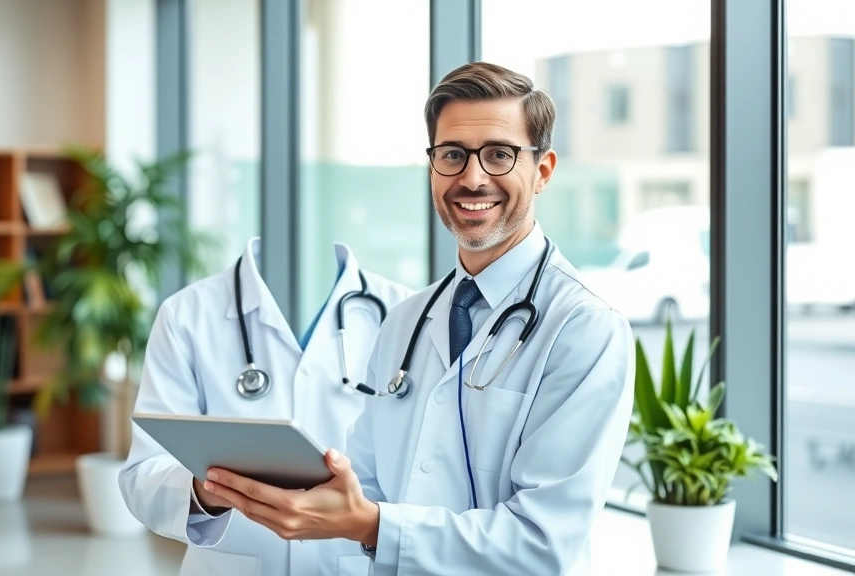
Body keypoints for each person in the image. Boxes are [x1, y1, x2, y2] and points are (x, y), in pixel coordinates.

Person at [199, 62, 635, 576]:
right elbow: (369, 482)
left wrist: (371, 525)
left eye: (499, 154)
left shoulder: (585, 328)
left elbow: (542, 542)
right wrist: (268, 486)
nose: (472, 178)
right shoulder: (406, 319)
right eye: (452, 155)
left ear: (542, 170)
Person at [119, 237, 413, 576]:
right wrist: (211, 490)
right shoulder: (185, 315)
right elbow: (143, 478)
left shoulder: (404, 313)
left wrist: (363, 517)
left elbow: (427, 479)